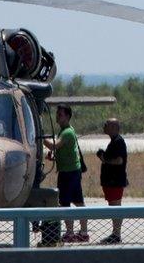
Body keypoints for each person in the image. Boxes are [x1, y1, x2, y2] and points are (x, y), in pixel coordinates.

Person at [44, 104, 88, 243]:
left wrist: (40, 137)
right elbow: (63, 150)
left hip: (68, 173)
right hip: (72, 171)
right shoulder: (64, 131)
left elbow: (54, 145)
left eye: (60, 115)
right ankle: (83, 232)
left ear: (68, 117)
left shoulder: (67, 132)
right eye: (57, 114)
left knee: (65, 203)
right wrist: (54, 157)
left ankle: (70, 232)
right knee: (79, 202)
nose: (57, 117)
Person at [96, 118, 128, 244]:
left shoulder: (119, 142)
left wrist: (104, 159)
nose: (104, 126)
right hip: (111, 181)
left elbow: (119, 160)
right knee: (113, 206)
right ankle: (115, 233)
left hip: (115, 181)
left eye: (106, 125)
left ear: (114, 127)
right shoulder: (114, 141)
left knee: (115, 207)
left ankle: (116, 234)